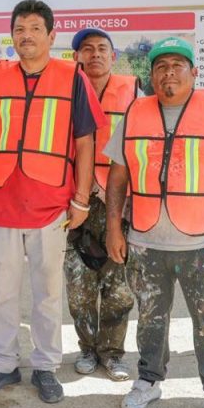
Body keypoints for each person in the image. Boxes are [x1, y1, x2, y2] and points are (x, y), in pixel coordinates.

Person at [0, 0, 103, 404]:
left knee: (47, 291)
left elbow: (85, 143)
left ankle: (46, 366)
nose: (26, 36)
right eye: (19, 29)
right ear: (11, 36)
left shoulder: (72, 78)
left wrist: (81, 199)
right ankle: (2, 363)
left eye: (35, 28)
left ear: (51, 36)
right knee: (1, 290)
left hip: (50, 203)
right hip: (2, 200)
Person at [104, 36, 204, 408]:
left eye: (177, 65)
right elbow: (117, 175)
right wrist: (114, 227)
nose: (168, 73)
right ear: (151, 75)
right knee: (150, 318)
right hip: (146, 240)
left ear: (194, 72)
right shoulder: (135, 112)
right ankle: (149, 380)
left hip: (202, 243)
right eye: (160, 67)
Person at [66, 27, 138, 381]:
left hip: (119, 200)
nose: (94, 54)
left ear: (113, 56)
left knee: (119, 287)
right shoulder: (63, 90)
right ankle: (86, 348)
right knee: (78, 286)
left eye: (102, 49)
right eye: (87, 49)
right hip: (74, 200)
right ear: (76, 57)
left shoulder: (135, 93)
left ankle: (112, 353)